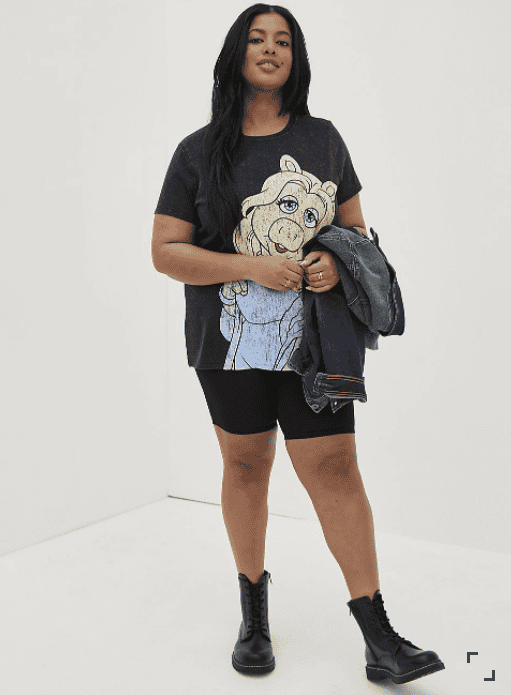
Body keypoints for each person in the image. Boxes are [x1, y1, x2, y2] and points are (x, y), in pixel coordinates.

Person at [152, 3, 445, 685]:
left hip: (316, 343)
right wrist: (250, 267)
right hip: (226, 344)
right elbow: (165, 251)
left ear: (296, 58)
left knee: (335, 466)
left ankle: (379, 638)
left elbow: (356, 233)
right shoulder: (197, 151)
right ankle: (253, 616)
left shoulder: (323, 139)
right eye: (257, 38)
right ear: (236, 53)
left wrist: (335, 263)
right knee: (246, 466)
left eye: (283, 40)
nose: (270, 48)